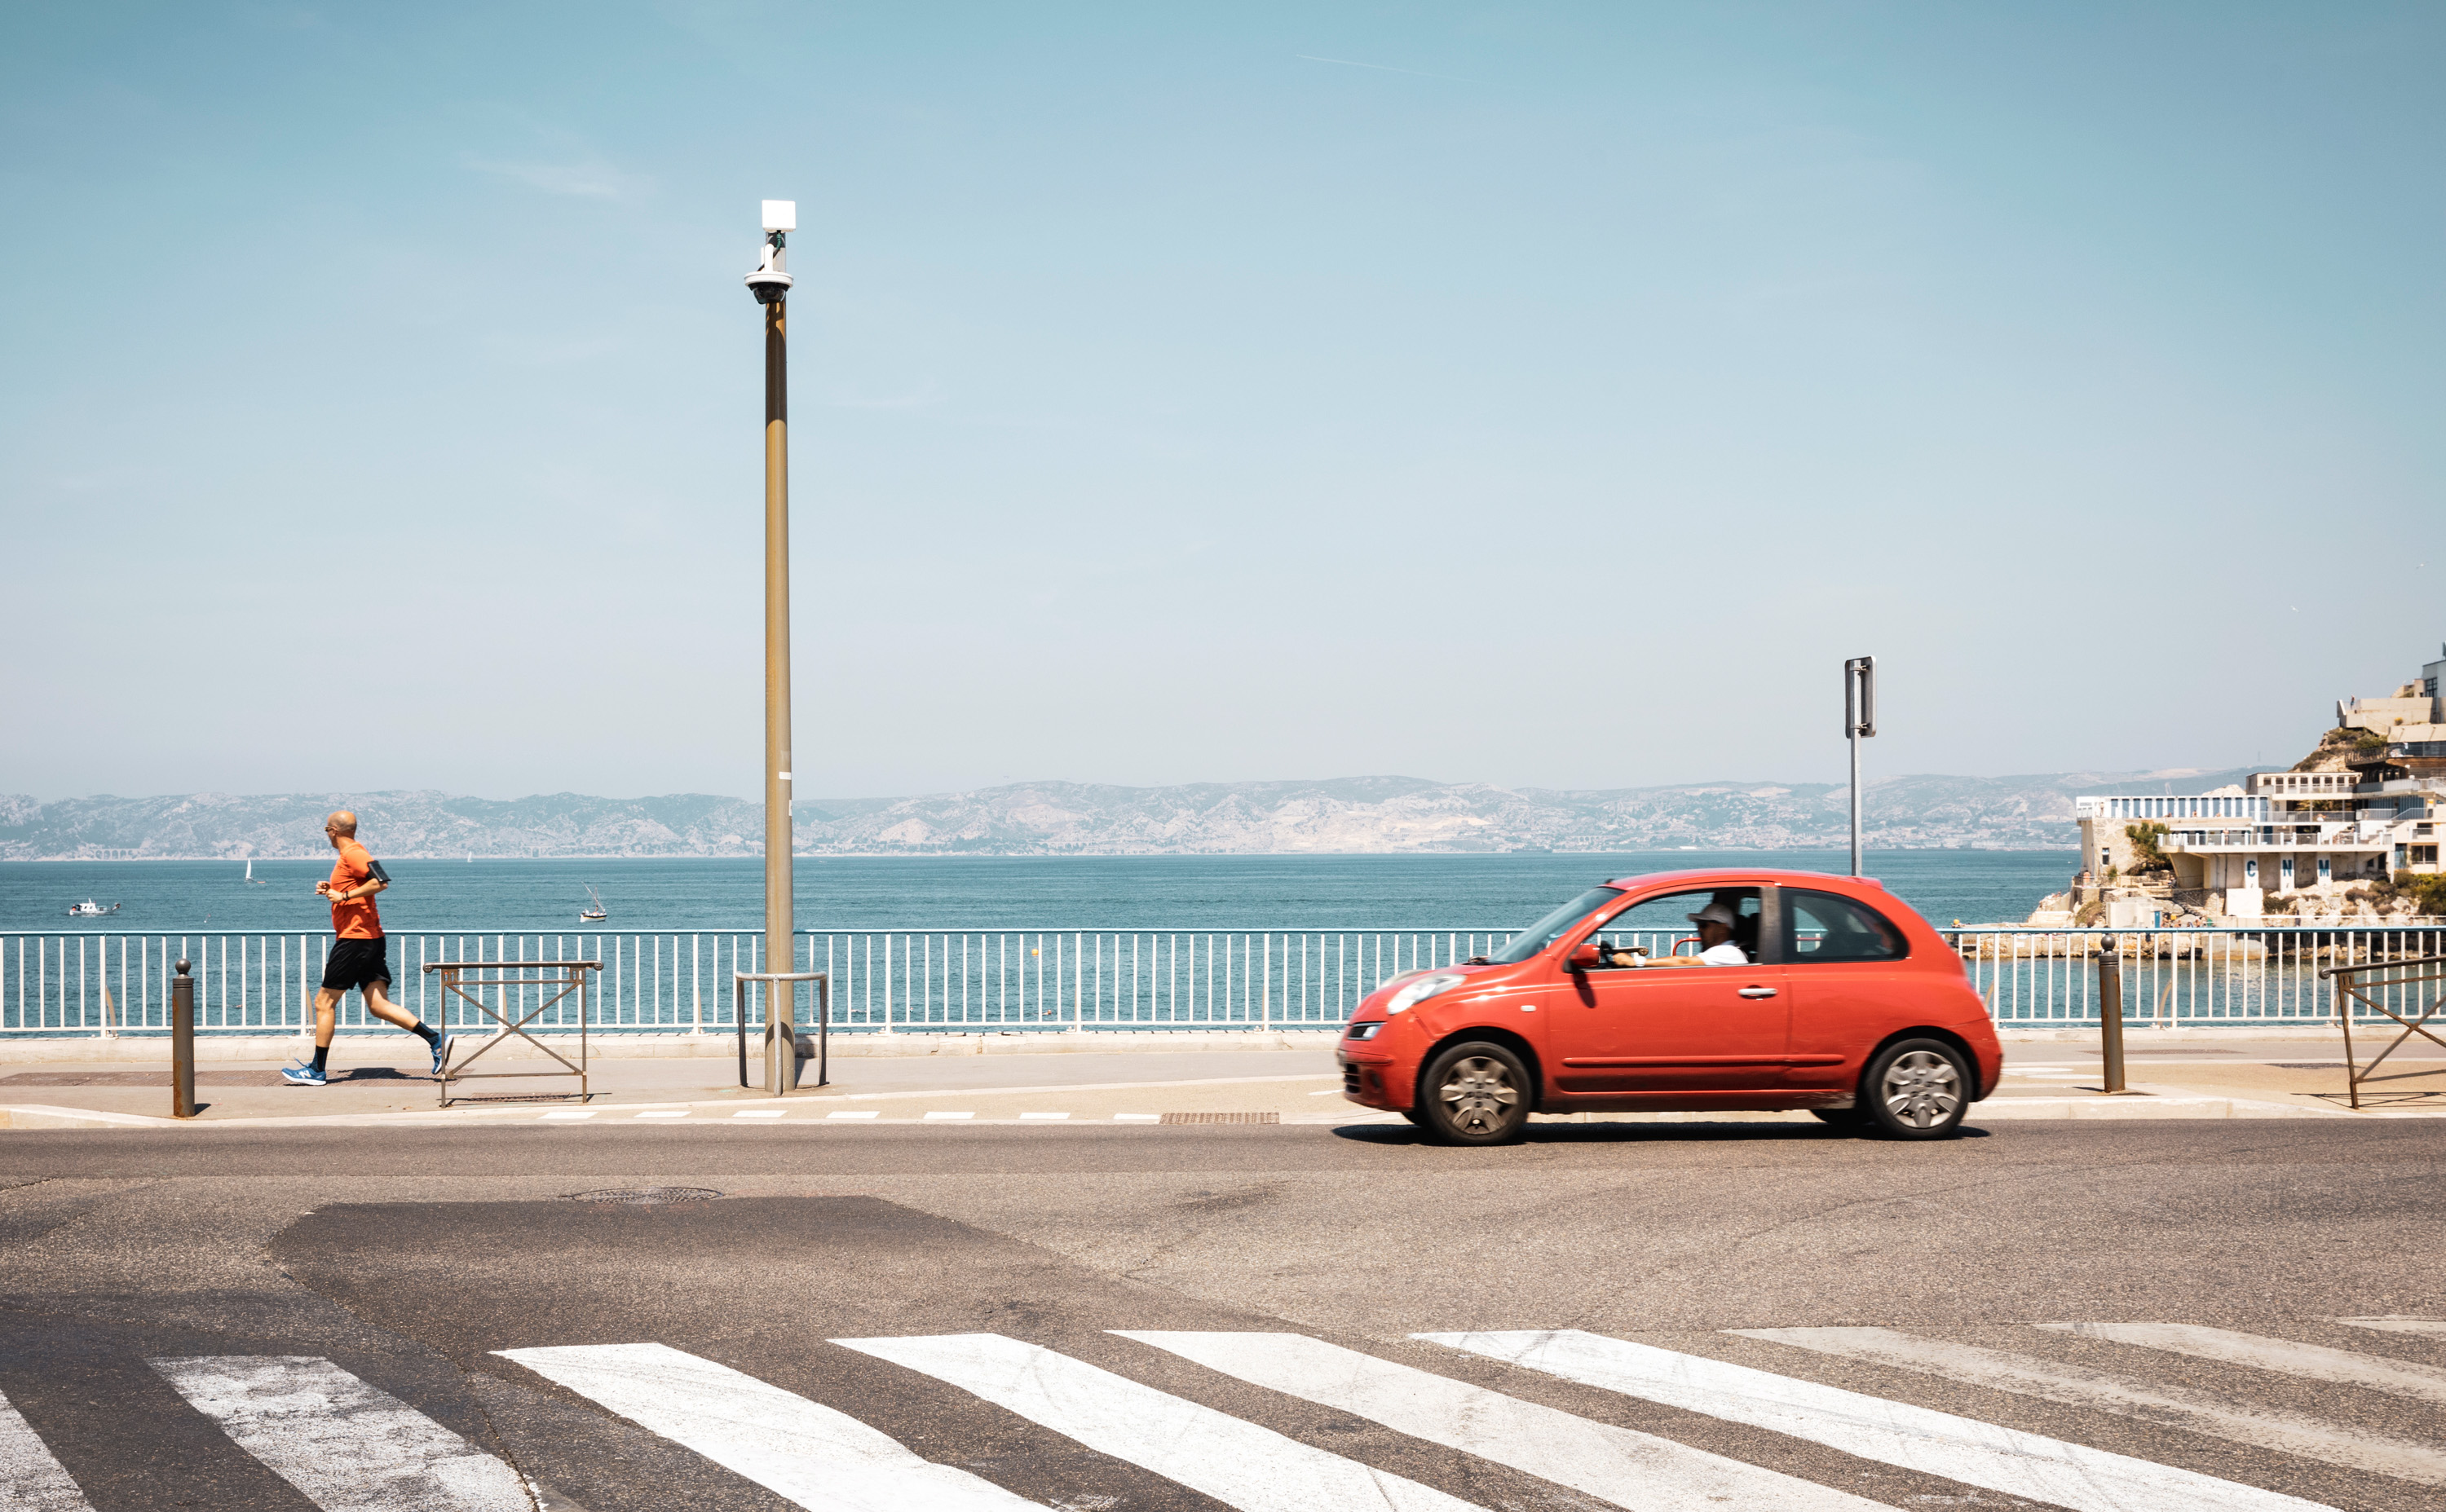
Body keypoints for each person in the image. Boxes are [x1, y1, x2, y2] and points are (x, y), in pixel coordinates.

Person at [280, 811, 450, 1087]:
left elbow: (380, 881)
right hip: (369, 938)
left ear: (332, 830)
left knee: (324, 1003)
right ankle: (435, 1039)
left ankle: (316, 1071)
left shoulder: (353, 854)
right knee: (378, 1005)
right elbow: (361, 885)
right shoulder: (350, 857)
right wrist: (333, 889)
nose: (327, 836)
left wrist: (344, 895)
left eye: (326, 831)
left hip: (355, 941)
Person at [1630, 900, 1753, 968]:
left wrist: (1637, 962)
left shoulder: (1727, 952)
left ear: (1722, 928)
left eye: (1704, 925)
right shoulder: (1724, 952)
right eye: (1698, 925)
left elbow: (1684, 962)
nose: (1699, 929)